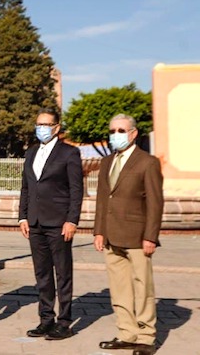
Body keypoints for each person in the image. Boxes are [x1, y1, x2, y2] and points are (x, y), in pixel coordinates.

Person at [94, 114, 164, 355]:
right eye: (113, 130)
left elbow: (156, 202)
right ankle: (127, 333)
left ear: (133, 134)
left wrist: (151, 236)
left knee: (142, 287)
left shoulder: (148, 162)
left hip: (137, 236)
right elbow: (103, 199)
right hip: (111, 236)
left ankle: (145, 336)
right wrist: (99, 231)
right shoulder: (107, 162)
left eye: (121, 130)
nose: (116, 135)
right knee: (119, 287)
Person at [19, 109, 83, 341]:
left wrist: (72, 219)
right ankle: (46, 319)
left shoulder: (69, 153)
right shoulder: (31, 152)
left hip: (59, 223)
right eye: (38, 124)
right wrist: (22, 216)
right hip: (35, 222)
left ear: (56, 127)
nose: (41, 128)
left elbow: (76, 190)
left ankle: (64, 322)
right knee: (42, 273)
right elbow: (26, 187)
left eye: (46, 124)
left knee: (62, 273)